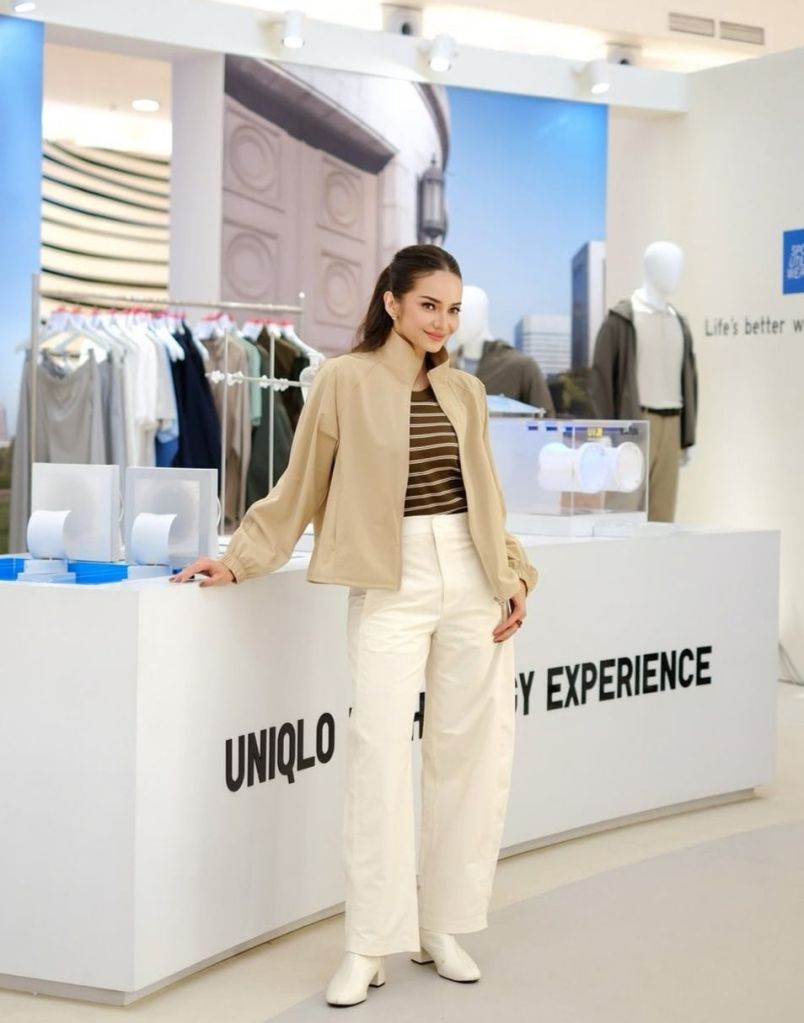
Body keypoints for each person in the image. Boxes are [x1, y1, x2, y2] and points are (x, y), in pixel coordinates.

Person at [172, 244, 538, 1007]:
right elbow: (300, 483)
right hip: (389, 579)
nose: (442, 322)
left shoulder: (466, 390)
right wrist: (240, 558)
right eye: (429, 305)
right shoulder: (343, 379)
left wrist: (513, 574)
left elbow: (486, 495)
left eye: (452, 309)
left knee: (468, 755)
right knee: (377, 755)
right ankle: (368, 940)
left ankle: (442, 923)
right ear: (392, 301)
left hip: (472, 576)